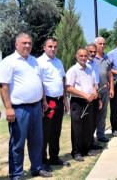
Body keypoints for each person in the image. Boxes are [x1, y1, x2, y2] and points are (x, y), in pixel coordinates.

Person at [0, 33, 52, 178]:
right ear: (16, 45)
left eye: (29, 43)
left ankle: (36, 168)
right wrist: (8, 108)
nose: (27, 46)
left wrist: (43, 101)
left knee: (37, 141)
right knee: (18, 144)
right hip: (19, 109)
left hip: (36, 107)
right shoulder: (8, 62)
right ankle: (16, 174)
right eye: (24, 43)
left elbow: (39, 81)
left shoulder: (34, 61)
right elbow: (3, 86)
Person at [38, 38, 70, 172]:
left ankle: (54, 157)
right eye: (50, 46)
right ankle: (43, 161)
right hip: (48, 102)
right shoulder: (39, 62)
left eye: (55, 46)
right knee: (45, 132)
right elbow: (40, 83)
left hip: (58, 101)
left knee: (56, 131)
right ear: (44, 47)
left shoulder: (58, 62)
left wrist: (65, 100)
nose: (53, 49)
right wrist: (44, 101)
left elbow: (62, 81)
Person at [66, 48, 97, 162]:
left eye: (85, 56)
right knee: (77, 128)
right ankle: (76, 152)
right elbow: (69, 87)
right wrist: (84, 95)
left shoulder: (89, 69)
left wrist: (94, 91)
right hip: (78, 102)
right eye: (81, 56)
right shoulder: (73, 70)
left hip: (89, 101)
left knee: (87, 127)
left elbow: (94, 83)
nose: (84, 58)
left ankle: (86, 149)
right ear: (76, 57)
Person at [94, 37, 114, 142]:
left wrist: (111, 88)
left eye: (104, 44)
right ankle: (91, 137)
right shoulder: (91, 58)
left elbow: (110, 74)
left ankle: (101, 134)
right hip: (94, 91)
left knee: (103, 113)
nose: (102, 46)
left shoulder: (107, 58)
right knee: (94, 114)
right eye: (100, 44)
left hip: (105, 90)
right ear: (96, 45)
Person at [86, 43, 103, 150]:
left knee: (93, 121)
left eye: (94, 52)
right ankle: (86, 144)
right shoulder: (84, 64)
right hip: (87, 97)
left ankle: (91, 142)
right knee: (87, 122)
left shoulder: (94, 64)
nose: (92, 54)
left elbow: (96, 82)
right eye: (90, 52)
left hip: (96, 95)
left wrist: (99, 98)